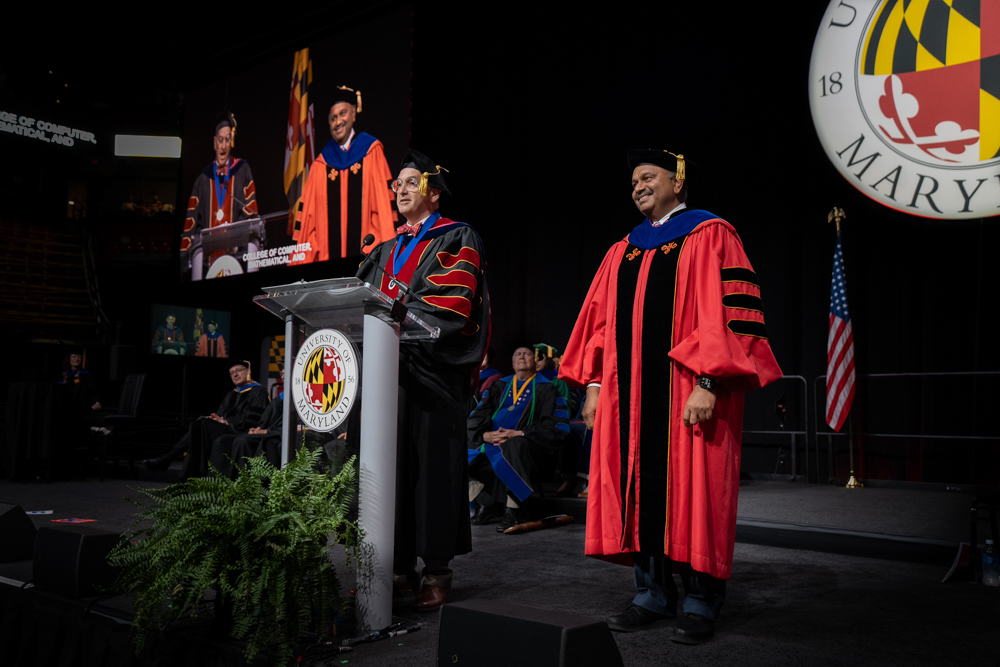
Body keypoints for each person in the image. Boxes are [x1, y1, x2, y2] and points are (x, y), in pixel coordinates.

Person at [560, 149, 782, 643]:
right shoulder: (624, 250)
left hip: (691, 391)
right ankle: (652, 593)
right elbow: (598, 323)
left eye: (648, 177)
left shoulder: (710, 234)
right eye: (633, 180)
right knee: (639, 489)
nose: (637, 186)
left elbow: (731, 312)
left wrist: (709, 381)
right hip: (630, 403)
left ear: (678, 182)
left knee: (697, 492)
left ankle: (702, 599)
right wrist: (595, 386)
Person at [355, 150, 489, 611]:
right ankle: (394, 564)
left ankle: (437, 568)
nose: (401, 189)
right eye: (397, 184)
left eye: (411, 182)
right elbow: (361, 303)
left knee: (431, 473)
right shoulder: (384, 249)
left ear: (433, 192)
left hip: (432, 376)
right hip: (387, 377)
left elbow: (451, 304)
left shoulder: (457, 236)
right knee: (390, 472)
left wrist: (399, 315)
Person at [467, 345, 570, 530]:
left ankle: (513, 509)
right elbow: (476, 419)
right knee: (455, 445)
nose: (522, 356)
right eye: (517, 354)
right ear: (512, 363)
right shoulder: (499, 386)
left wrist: (520, 433)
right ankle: (486, 502)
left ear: (536, 362)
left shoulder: (547, 389)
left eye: (527, 354)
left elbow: (556, 427)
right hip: (492, 444)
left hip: (530, 450)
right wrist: (485, 435)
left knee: (515, 445)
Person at [292, 86, 397, 263]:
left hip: (366, 262)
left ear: (354, 114)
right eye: (333, 118)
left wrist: (380, 253)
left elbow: (383, 212)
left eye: (343, 114)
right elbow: (309, 225)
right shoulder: (321, 164)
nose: (338, 121)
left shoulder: (371, 151)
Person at [143, 360, 269, 478]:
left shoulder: (259, 391)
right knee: (198, 428)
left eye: (239, 370)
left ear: (248, 371)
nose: (235, 375)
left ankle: (169, 459)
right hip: (225, 429)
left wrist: (225, 422)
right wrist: (216, 419)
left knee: (200, 426)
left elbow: (254, 419)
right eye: (232, 373)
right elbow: (221, 415)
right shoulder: (231, 394)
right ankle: (181, 476)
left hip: (242, 431)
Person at [180, 112, 258, 278]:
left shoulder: (243, 171)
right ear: (214, 143)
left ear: (232, 142)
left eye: (227, 139)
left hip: (236, 263)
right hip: (207, 268)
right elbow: (192, 226)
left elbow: (250, 217)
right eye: (220, 140)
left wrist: (236, 244)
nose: (223, 146)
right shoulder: (202, 180)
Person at [208, 394, 283, 479]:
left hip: (277, 434)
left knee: (242, 441)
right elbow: (263, 421)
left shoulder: (259, 392)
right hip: (261, 431)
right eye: (282, 378)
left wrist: (266, 431)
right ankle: (217, 485)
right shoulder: (279, 399)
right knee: (221, 441)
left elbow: (297, 427)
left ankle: (242, 485)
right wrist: (257, 429)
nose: (283, 379)